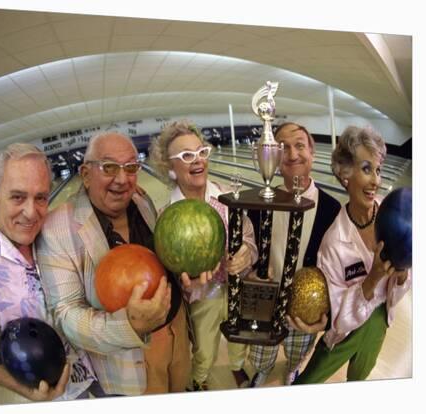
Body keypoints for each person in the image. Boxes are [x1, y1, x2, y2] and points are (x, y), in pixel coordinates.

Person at [36, 131, 189, 396]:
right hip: (130, 362)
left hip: (177, 337)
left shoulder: (142, 200)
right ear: (85, 174)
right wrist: (129, 326)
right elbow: (67, 315)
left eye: (131, 167)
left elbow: (161, 261)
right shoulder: (56, 228)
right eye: (109, 167)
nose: (122, 179)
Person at [0, 143, 96, 402]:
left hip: (96, 362)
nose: (32, 212)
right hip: (56, 392)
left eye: (41, 197)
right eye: (18, 197)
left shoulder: (52, 229)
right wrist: (33, 395)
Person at [293, 126, 411, 384]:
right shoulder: (334, 242)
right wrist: (373, 278)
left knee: (360, 377)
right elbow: (338, 319)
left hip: (380, 319)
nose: (376, 181)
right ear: (345, 174)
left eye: (378, 170)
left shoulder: (392, 215)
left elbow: (399, 290)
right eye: (366, 168)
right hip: (345, 333)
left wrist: (402, 276)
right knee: (308, 382)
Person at [149, 120, 258, 391]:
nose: (197, 160)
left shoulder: (226, 197)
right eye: (186, 156)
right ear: (170, 168)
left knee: (238, 339)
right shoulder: (166, 217)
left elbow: (249, 239)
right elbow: (166, 270)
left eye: (201, 152)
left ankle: (236, 367)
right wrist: (183, 282)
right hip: (201, 299)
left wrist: (247, 254)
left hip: (235, 288)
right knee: (204, 348)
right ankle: (198, 380)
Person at [245, 122, 341, 386]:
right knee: (261, 354)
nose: (292, 153)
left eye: (299, 145)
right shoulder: (258, 203)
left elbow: (337, 268)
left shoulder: (332, 209)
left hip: (306, 305)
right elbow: (250, 250)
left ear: (313, 153)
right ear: (274, 158)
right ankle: (263, 371)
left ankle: (292, 369)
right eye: (282, 147)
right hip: (266, 302)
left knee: (297, 352)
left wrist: (329, 313)